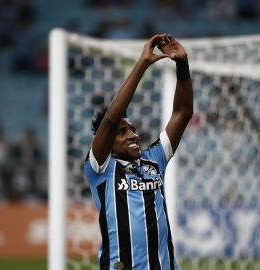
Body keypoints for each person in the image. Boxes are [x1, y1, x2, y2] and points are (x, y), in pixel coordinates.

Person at [84, 34, 193, 270]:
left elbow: (182, 113)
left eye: (132, 130)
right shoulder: (101, 168)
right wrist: (143, 63)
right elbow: (112, 118)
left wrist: (182, 64)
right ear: (108, 141)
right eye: (123, 132)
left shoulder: (154, 160)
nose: (133, 135)